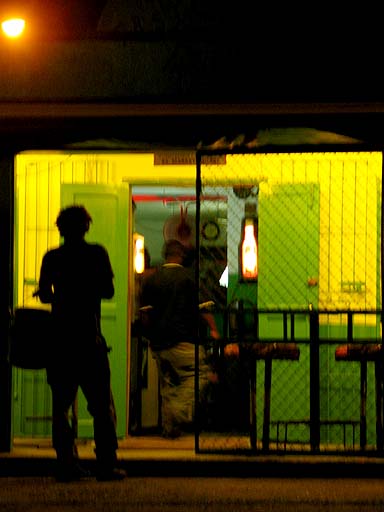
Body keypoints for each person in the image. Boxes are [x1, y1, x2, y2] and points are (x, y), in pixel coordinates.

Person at [34, 205, 126, 482]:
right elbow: (108, 291)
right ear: (87, 226)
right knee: (100, 405)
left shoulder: (52, 257)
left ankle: (66, 462)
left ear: (60, 228)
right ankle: (106, 464)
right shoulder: (97, 254)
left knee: (61, 406)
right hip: (89, 337)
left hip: (60, 339)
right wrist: (88, 287)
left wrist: (59, 293)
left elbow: (46, 297)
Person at [140, 239, 219, 438]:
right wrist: (214, 329)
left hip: (158, 343)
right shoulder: (188, 278)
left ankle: (169, 428)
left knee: (167, 384)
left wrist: (151, 337)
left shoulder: (151, 280)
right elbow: (202, 308)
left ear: (165, 254)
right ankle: (178, 411)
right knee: (202, 373)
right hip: (182, 340)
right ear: (181, 256)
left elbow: (145, 315)